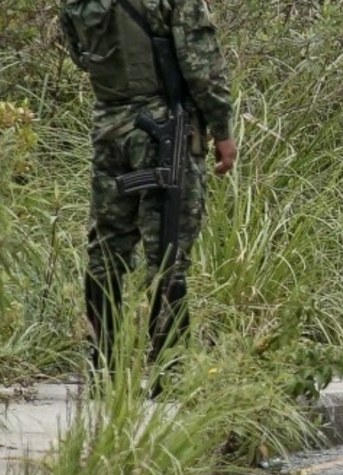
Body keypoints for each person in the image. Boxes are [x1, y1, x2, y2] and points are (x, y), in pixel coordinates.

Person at [60, 0, 236, 391]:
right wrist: (222, 130)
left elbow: (80, 56)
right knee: (169, 251)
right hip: (164, 129)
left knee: (107, 248)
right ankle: (168, 372)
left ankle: (102, 367)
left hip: (109, 129)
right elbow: (200, 64)